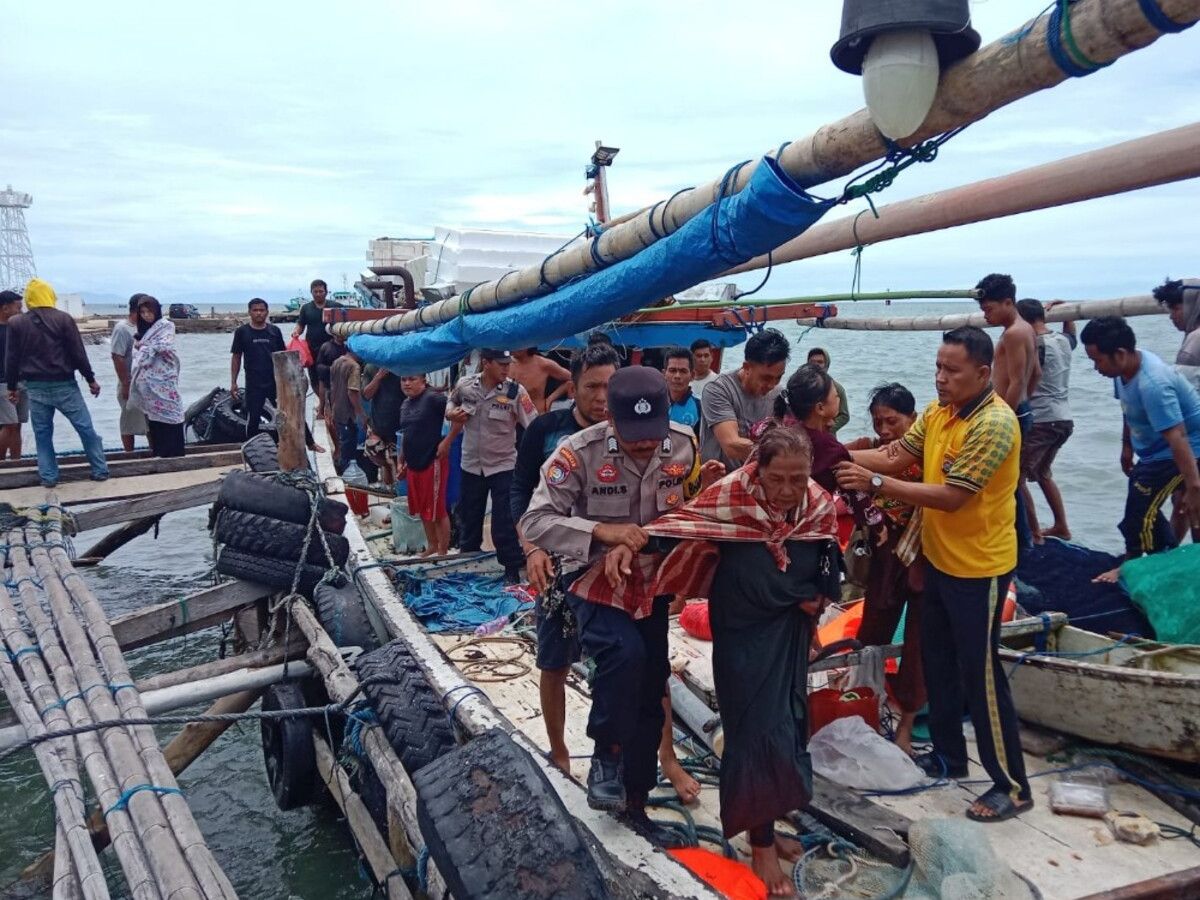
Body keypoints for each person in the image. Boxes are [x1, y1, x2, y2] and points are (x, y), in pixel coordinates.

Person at [836, 326, 1032, 823]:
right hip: (940, 559)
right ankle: (948, 755)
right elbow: (897, 454)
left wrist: (875, 481)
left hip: (980, 568)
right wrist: (825, 455)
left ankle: (1012, 785)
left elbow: (952, 495)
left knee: (980, 672)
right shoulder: (938, 413)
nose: (941, 379)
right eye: (938, 369)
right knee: (938, 662)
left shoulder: (994, 425)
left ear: (983, 373)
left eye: (952, 371)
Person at [519, 367, 722, 845]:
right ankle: (605, 754)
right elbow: (535, 520)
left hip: (652, 581)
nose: (646, 449)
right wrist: (604, 535)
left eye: (652, 439)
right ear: (610, 418)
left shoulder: (684, 443)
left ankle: (635, 799)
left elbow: (681, 509)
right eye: (633, 441)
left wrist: (699, 496)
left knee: (652, 688)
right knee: (621, 654)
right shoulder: (577, 454)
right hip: (590, 579)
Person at [632, 426, 839, 895]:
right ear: (757, 470)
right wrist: (626, 543)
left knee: (788, 725)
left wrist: (817, 601)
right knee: (751, 732)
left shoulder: (817, 504)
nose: (788, 491)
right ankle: (759, 843)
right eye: (777, 479)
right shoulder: (729, 498)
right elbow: (673, 530)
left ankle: (770, 826)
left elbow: (829, 557)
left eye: (797, 479)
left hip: (788, 633)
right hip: (744, 633)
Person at [1079, 316, 1200, 583]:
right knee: (1143, 508)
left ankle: (1133, 567)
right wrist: (1126, 446)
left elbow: (1178, 437)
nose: (1095, 367)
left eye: (1097, 360)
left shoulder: (1153, 384)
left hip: (1187, 449)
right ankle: (1167, 557)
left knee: (1138, 516)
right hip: (1155, 450)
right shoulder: (1123, 370)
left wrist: (1193, 489)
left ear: (1120, 354)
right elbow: (1127, 409)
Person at [844, 383, 926, 754]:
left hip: (923, 549)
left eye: (892, 421)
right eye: (878, 422)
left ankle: (907, 727)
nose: (885, 430)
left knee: (920, 640)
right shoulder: (873, 449)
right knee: (874, 624)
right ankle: (862, 705)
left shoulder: (927, 446)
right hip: (885, 550)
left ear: (912, 417)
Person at [4, 279, 108, 486]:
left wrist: (12, 387)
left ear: (29, 299)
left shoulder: (16, 323)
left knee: (42, 435)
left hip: (35, 387)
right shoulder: (63, 319)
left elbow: (12, 358)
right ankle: (99, 470)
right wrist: (90, 379)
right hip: (64, 384)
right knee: (85, 429)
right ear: (50, 295)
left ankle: (49, 477)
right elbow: (78, 353)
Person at [447, 348, 538, 582]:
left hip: (503, 466)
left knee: (504, 523)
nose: (507, 369)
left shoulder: (515, 392)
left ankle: (511, 571)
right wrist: (450, 414)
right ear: (486, 363)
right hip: (471, 465)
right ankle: (468, 567)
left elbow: (534, 426)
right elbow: (451, 400)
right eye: (501, 364)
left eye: (508, 364)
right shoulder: (466, 385)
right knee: (469, 519)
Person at [976, 273, 1040, 549]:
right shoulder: (1026, 328)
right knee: (1011, 482)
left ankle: (1020, 541)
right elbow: (1035, 373)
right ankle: (1023, 538)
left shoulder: (1014, 333)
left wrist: (1003, 418)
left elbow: (1016, 382)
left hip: (1010, 413)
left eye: (989, 309)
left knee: (1006, 485)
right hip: (1021, 410)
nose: (986, 316)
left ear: (1007, 302)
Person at [1015, 298, 1076, 541]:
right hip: (1064, 419)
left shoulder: (1035, 345)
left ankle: (1034, 533)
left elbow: (1025, 377)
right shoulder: (1061, 342)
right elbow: (1072, 337)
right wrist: (1067, 314)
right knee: (1043, 473)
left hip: (1042, 420)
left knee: (1016, 478)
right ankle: (1061, 526)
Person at [700, 328, 790, 468]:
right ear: (747, 367)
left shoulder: (778, 394)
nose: (772, 385)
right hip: (721, 480)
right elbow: (732, 445)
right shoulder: (719, 389)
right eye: (766, 378)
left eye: (778, 377)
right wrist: (786, 454)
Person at [1154, 278, 1200, 543]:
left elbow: (1184, 402)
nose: (1172, 316)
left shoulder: (1193, 345)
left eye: (1175, 308)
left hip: (1194, 440)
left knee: (1187, 501)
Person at [396, 374, 451, 555]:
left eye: (411, 379)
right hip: (413, 463)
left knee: (438, 509)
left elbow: (459, 416)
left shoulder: (434, 399)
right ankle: (432, 546)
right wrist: (401, 460)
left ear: (423, 380)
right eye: (404, 380)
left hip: (432, 460)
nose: (407, 383)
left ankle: (443, 551)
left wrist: (447, 442)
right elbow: (406, 434)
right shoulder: (405, 404)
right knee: (422, 508)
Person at [129, 296, 186, 458]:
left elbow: (164, 345)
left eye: (149, 311)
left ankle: (175, 454)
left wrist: (144, 346)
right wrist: (142, 346)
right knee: (154, 419)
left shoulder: (165, 326)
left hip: (165, 381)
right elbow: (137, 353)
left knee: (173, 414)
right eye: (143, 312)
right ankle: (160, 452)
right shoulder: (141, 332)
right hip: (147, 384)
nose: (146, 315)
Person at [231, 298, 286, 439]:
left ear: (267, 312)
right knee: (253, 418)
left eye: (262, 310)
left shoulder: (275, 331)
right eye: (255, 310)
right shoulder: (242, 332)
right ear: (249, 312)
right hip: (254, 383)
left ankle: (308, 443)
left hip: (275, 381)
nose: (259, 313)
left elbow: (284, 357)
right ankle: (251, 449)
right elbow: (236, 357)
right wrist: (233, 382)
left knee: (288, 413)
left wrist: (287, 381)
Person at [290, 279, 339, 415]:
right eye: (315, 291)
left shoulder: (334, 305)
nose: (318, 294)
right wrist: (296, 332)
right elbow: (301, 324)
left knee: (331, 376)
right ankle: (322, 402)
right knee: (314, 377)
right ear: (311, 292)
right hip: (312, 348)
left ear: (326, 292)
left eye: (321, 291)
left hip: (331, 348)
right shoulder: (306, 308)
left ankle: (331, 403)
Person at [110, 294, 149, 452]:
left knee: (149, 423)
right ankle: (128, 455)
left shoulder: (145, 327)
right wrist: (126, 384)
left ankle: (156, 453)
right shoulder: (122, 329)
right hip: (130, 383)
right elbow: (117, 357)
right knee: (129, 421)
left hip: (146, 385)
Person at [329, 349, 375, 478]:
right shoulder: (354, 366)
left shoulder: (337, 362)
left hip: (337, 410)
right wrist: (361, 414)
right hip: (348, 413)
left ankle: (343, 472)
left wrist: (331, 408)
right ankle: (347, 477)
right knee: (349, 448)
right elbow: (352, 392)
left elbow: (332, 387)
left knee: (344, 444)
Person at [362, 363, 405, 486]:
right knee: (373, 452)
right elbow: (366, 395)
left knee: (399, 462)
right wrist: (378, 377)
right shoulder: (371, 367)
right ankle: (388, 475)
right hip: (378, 423)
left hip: (400, 424)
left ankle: (398, 491)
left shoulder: (403, 365)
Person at [0, 290, 28, 460]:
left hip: (23, 382)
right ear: (5, 308)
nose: (21, 311)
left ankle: (17, 461)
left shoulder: (16, 329)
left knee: (18, 425)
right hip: (3, 384)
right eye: (18, 308)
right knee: (9, 424)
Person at [510, 348, 573, 413]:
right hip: (510, 418)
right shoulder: (506, 364)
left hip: (536, 416)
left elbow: (573, 378)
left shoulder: (544, 364)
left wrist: (551, 398)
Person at [806, 347, 849, 435]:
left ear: (827, 364)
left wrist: (826, 428)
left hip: (828, 435)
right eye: (812, 362)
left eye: (820, 362)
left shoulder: (836, 388)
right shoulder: (801, 386)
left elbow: (844, 416)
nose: (816, 365)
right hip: (803, 435)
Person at [663, 347, 702, 438]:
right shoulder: (653, 403)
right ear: (664, 373)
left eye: (683, 371)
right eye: (672, 370)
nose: (677, 376)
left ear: (692, 376)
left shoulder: (701, 407)